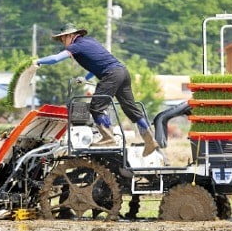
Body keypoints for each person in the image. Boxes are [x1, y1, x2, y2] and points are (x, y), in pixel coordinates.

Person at [35, 23, 158, 156]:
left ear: (70, 36)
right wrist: (85, 77)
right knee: (130, 108)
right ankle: (150, 140)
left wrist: (37, 61)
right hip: (122, 72)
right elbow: (99, 62)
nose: (63, 42)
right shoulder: (90, 41)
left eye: (63, 39)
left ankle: (108, 138)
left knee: (96, 107)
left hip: (111, 74)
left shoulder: (75, 46)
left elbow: (55, 59)